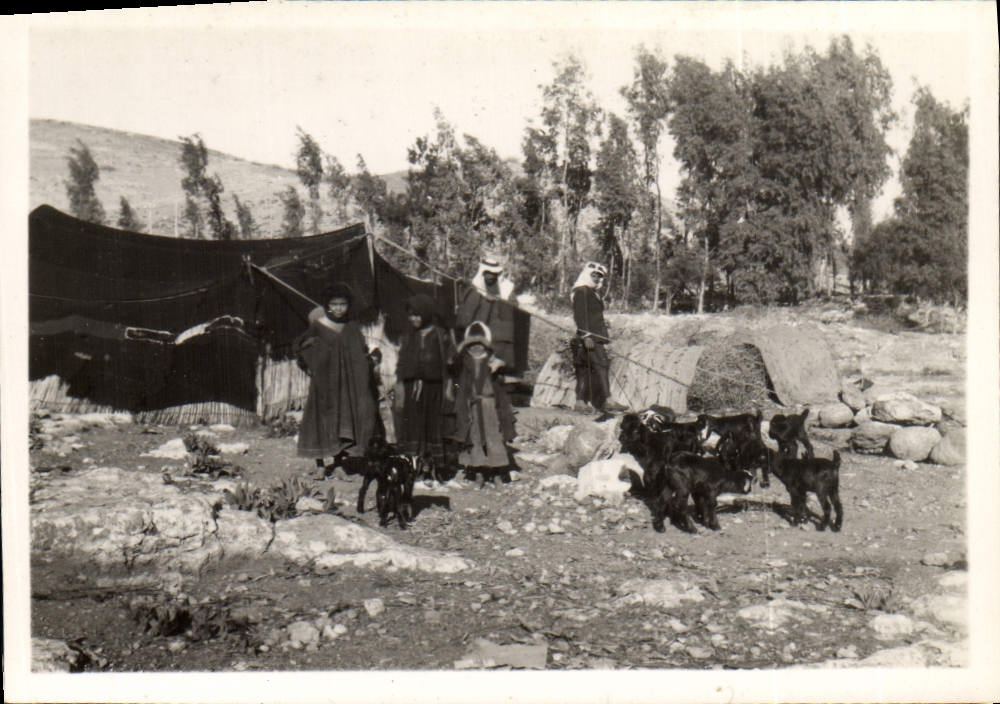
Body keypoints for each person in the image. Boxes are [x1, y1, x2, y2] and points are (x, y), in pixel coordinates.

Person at [295, 283, 379, 472]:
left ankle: (339, 463)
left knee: (342, 420)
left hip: (346, 386)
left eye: (343, 304)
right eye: (334, 304)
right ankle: (319, 465)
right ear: (327, 305)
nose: (339, 308)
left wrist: (371, 359)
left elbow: (361, 351)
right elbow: (301, 347)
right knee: (321, 419)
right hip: (324, 384)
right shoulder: (318, 326)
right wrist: (310, 363)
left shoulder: (351, 327)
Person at [394, 294, 456, 480]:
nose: (413, 319)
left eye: (417, 315)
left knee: (433, 426)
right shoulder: (408, 336)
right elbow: (402, 363)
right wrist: (400, 387)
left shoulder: (440, 334)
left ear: (427, 314)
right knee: (413, 426)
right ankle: (415, 469)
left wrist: (449, 385)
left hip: (434, 389)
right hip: (412, 388)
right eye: (411, 315)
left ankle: (434, 469)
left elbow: (449, 362)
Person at [449, 321, 517, 487]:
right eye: (472, 345)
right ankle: (479, 473)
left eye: (480, 345)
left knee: (494, 437)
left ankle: (497, 474)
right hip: (472, 406)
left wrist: (499, 365)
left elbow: (509, 369)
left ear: (486, 347)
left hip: (490, 406)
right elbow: (453, 370)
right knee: (475, 438)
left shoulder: (493, 363)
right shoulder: (464, 364)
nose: (476, 349)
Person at [570, 261, 627, 414]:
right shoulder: (582, 291)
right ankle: (608, 400)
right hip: (590, 338)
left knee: (585, 368)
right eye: (593, 275)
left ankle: (580, 402)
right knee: (601, 366)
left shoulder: (592, 292)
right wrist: (586, 335)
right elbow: (579, 315)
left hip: (594, 336)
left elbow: (591, 314)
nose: (596, 278)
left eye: (599, 276)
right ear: (586, 274)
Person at [455, 254, 519, 377]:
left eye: (493, 273)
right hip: (479, 330)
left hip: (497, 331)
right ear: (482, 273)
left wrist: (499, 301)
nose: (490, 276)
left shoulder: (507, 289)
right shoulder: (474, 290)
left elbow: (513, 310)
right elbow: (465, 315)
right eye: (487, 272)